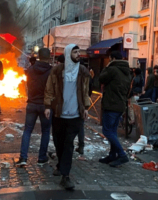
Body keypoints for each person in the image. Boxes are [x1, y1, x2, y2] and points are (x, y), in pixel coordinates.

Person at [44, 44, 90, 190]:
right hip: (59, 113)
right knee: (59, 142)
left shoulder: (83, 71)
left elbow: (85, 91)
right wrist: (47, 106)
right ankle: (59, 165)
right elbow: (49, 89)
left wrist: (86, 107)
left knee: (69, 144)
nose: (78, 54)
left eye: (79, 52)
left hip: (75, 115)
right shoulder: (57, 71)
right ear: (68, 53)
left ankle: (65, 176)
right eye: (75, 52)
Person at [16, 48, 53, 167]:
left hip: (31, 103)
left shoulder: (30, 70)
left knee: (27, 130)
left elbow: (28, 84)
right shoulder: (51, 71)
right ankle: (42, 157)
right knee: (46, 131)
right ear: (49, 56)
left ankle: (23, 157)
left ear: (38, 57)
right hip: (45, 105)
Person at [99, 51, 131, 167]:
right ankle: (112, 155)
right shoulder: (127, 72)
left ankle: (122, 155)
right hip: (120, 104)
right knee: (113, 131)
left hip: (111, 104)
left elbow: (101, 78)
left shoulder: (112, 70)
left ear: (112, 59)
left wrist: (107, 67)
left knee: (107, 131)